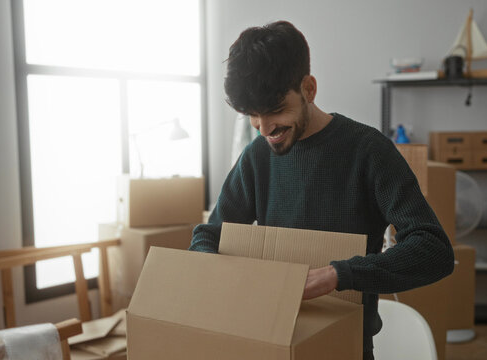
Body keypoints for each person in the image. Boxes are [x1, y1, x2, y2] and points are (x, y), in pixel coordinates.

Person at [189, 20, 454, 359]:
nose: (264, 128)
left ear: (309, 89)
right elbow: (207, 235)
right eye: (253, 116)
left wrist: (339, 275)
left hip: (345, 345)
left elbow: (434, 249)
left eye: (275, 111)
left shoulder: (369, 151)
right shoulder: (257, 157)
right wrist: (217, 273)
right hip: (271, 340)